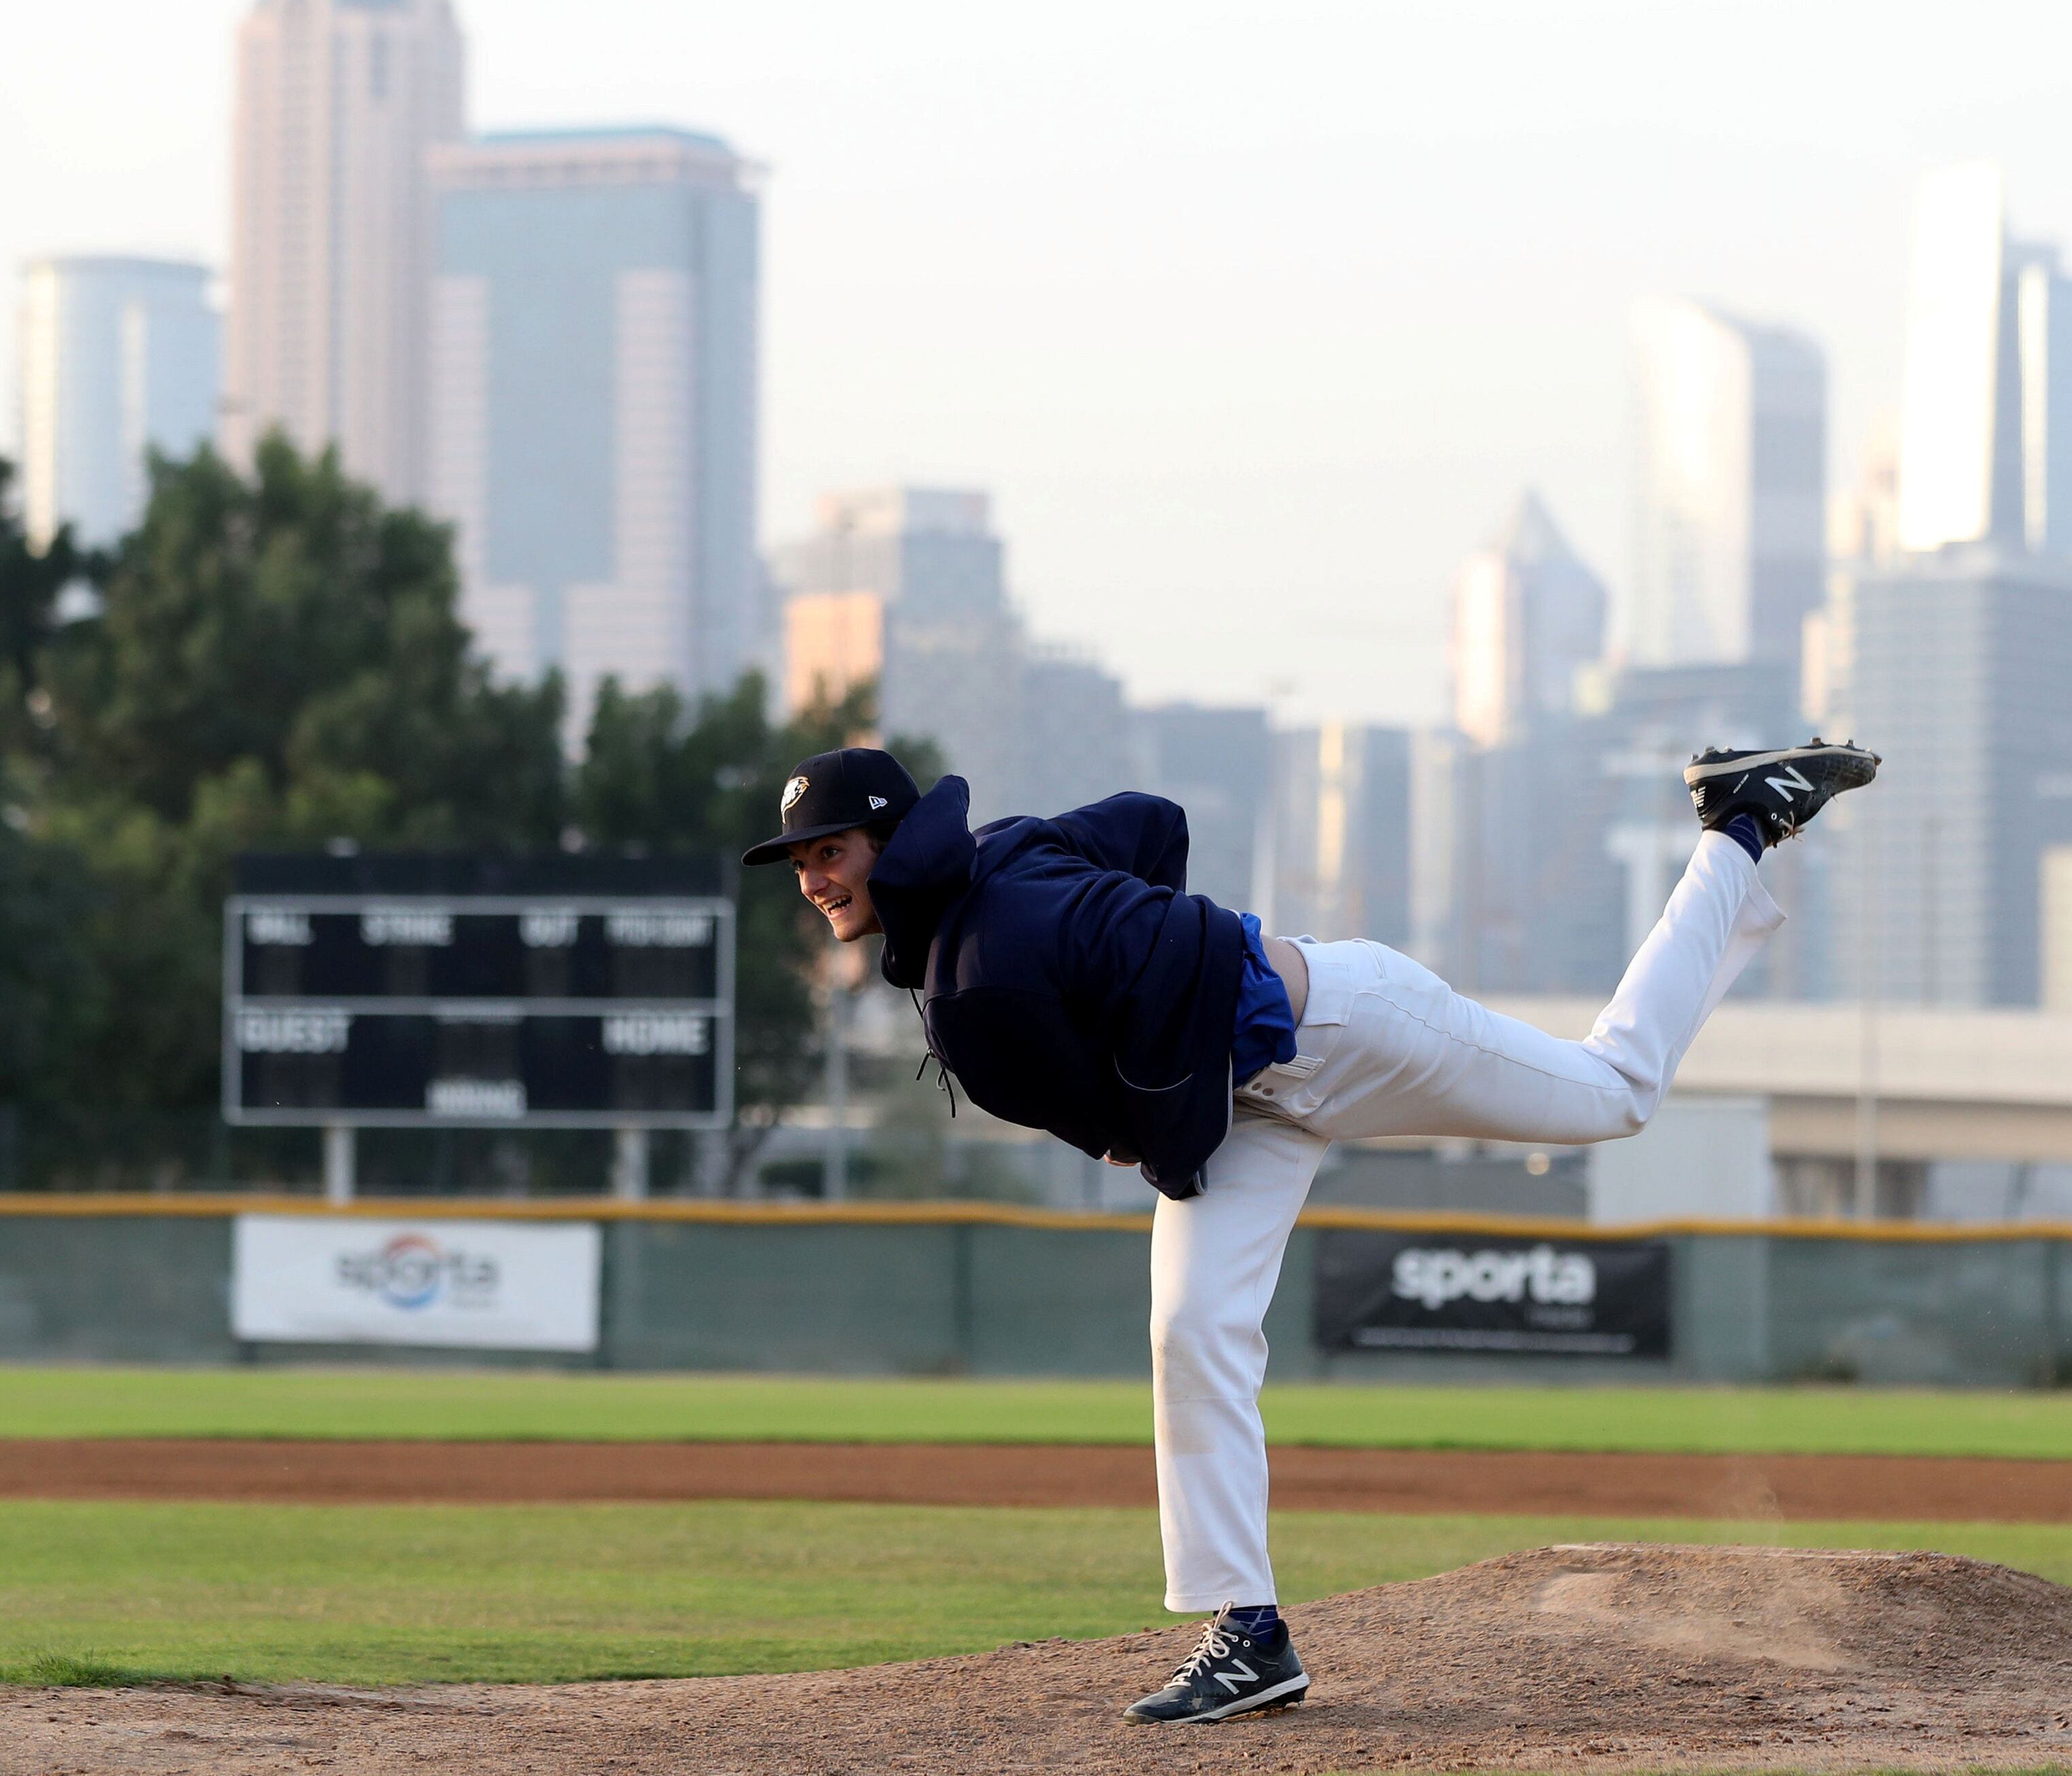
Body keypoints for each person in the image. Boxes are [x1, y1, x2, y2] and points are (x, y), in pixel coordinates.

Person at [743, 737, 1877, 1724]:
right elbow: (1155, 827)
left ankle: (1740, 825)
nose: (813, 878)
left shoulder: (971, 989)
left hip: (1342, 1024)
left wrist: (1174, 989)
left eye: (830, 851)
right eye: (802, 860)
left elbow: (1141, 1139)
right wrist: (1166, 991)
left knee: (1613, 1092)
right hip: (1246, 1102)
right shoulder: (1006, 862)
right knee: (1192, 1327)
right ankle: (1251, 1636)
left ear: (891, 840)